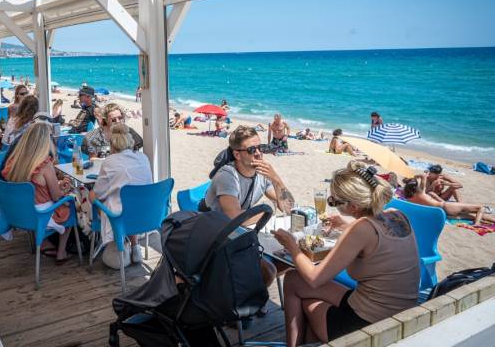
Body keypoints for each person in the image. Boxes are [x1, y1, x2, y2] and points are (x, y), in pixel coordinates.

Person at [273, 162, 420, 346]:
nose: (333, 205)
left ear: (353, 206)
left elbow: (314, 278)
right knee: (295, 279)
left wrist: (292, 246)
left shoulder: (361, 229)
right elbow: (378, 240)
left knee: (303, 295)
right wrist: (346, 225)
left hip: (371, 324)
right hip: (401, 312)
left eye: (333, 201)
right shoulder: (397, 215)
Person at [202, 126, 295, 287]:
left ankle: (250, 292)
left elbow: (288, 208)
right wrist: (266, 212)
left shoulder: (260, 173)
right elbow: (236, 218)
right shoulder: (227, 176)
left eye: (261, 147)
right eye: (252, 149)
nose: (258, 153)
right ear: (237, 154)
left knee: (293, 258)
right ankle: (247, 302)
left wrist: (276, 179)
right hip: (217, 236)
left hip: (242, 233)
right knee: (268, 271)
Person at [1, 123, 73, 264]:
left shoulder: (14, 162)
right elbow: (56, 197)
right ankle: (62, 252)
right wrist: (65, 190)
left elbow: (31, 187)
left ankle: (44, 241)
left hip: (17, 212)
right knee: (71, 207)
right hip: (40, 215)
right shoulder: (44, 165)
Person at [88, 123, 153, 267]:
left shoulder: (110, 161)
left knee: (93, 195)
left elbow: (99, 192)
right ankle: (135, 245)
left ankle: (119, 240)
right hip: (147, 213)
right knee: (125, 198)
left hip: (122, 216)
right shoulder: (143, 158)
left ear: (112, 144)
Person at [403, 178, 494, 225]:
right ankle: (477, 224)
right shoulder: (421, 192)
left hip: (444, 214)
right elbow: (423, 178)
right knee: (480, 208)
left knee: (473, 216)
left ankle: (483, 221)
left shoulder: (410, 199)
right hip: (447, 206)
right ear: (417, 187)